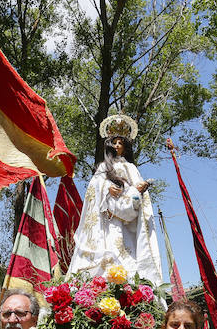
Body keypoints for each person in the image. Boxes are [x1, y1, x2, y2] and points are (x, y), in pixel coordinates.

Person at [65, 114, 162, 285]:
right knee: (107, 252)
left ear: (126, 148)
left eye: (121, 144)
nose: (118, 146)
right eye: (115, 143)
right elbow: (92, 190)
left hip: (126, 223)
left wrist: (136, 191)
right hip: (106, 222)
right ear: (110, 145)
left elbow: (137, 195)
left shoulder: (131, 168)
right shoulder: (103, 167)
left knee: (127, 259)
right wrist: (105, 189)